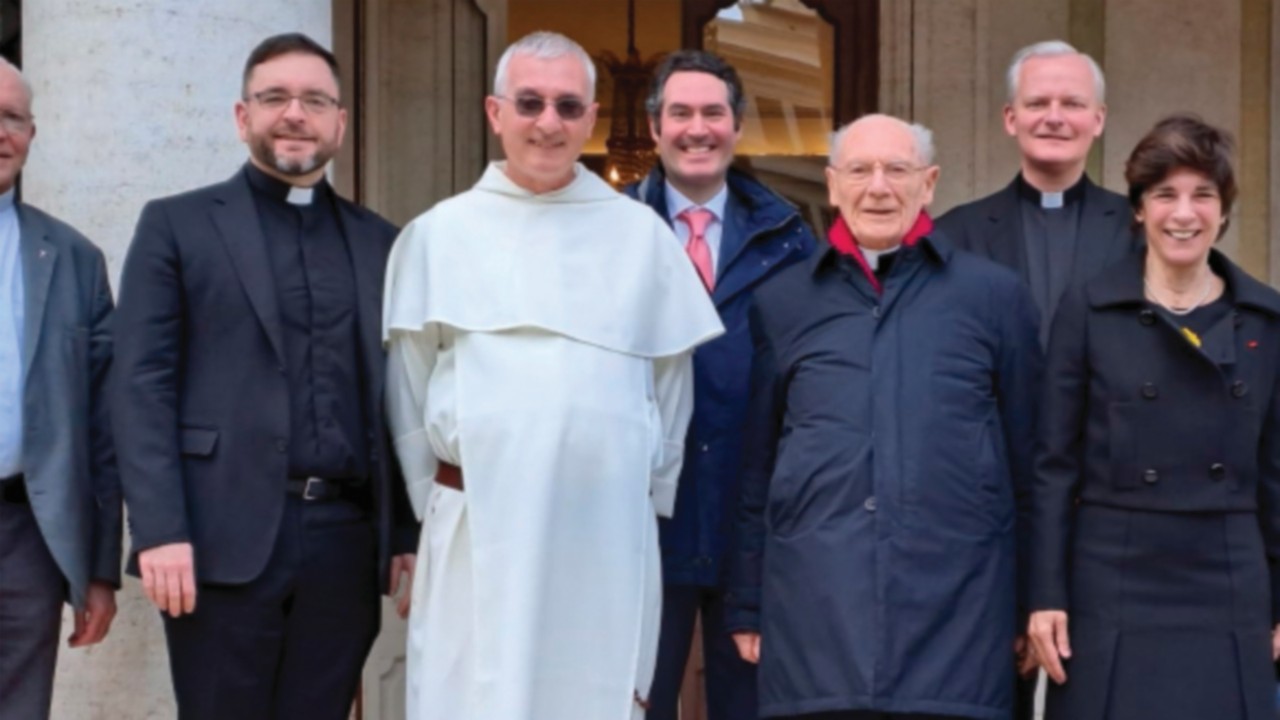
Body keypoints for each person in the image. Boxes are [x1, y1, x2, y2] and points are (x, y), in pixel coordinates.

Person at [383, 31, 723, 720]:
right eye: (530, 102)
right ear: (494, 112)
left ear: (591, 119)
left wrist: (638, 487)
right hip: (476, 528)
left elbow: (670, 391)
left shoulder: (640, 237)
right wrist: (437, 504)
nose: (548, 122)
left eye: (569, 106)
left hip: (605, 532)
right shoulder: (438, 235)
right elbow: (409, 393)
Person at [112, 33, 417, 720]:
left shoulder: (382, 243)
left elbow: (399, 396)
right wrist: (159, 528)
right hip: (218, 542)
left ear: (339, 120)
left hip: (344, 542)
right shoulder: (177, 225)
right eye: (274, 97)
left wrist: (406, 535)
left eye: (314, 99)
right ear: (241, 116)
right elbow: (140, 386)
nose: (294, 114)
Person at [726, 113, 1042, 720]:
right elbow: (759, 465)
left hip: (961, 618)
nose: (878, 187)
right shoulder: (783, 302)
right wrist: (747, 602)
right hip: (815, 613)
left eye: (897, 170)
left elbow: (1030, 465)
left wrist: (1032, 600)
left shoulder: (995, 297)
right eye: (860, 170)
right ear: (832, 183)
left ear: (929, 183)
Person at [1027, 114, 1280, 720]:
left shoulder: (1268, 320)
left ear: (1223, 211)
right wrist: (1044, 595)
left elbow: (1278, 474)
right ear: (1139, 209)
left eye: (1203, 196)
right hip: (1112, 572)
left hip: (1227, 571)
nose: (1184, 214)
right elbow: (1052, 466)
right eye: (1164, 194)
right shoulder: (1089, 308)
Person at [624, 49, 817, 720]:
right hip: (640, 520)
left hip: (753, 524)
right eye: (680, 113)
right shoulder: (611, 232)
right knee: (631, 703)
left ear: (737, 127)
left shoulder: (792, 238)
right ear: (654, 127)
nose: (696, 129)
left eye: (713, 113)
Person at [0, 57, 120, 720]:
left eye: (11, 118)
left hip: (26, 535)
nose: (0, 133)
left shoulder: (74, 259)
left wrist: (99, 568)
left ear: (32, 132)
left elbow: (102, 430)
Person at [936, 40, 1139, 349]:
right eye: (1037, 103)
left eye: (1072, 104)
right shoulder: (956, 234)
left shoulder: (1138, 228)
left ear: (1098, 120)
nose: (1054, 118)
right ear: (1010, 118)